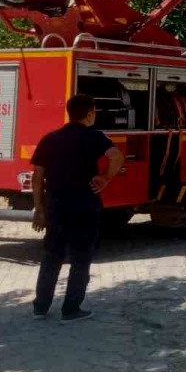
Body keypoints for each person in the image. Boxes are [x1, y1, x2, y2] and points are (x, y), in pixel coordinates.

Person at [31, 94, 125, 323]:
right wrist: (105, 178)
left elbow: (37, 178)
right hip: (85, 206)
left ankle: (40, 307)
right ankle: (71, 309)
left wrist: (39, 209)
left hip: (56, 206)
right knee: (81, 258)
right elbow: (117, 156)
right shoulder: (95, 137)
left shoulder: (50, 139)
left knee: (52, 256)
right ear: (90, 113)